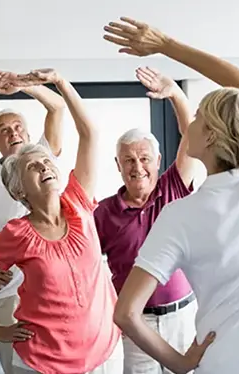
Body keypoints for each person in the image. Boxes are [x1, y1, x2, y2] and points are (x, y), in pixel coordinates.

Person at [104, 17, 239, 374]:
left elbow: (126, 313)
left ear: (212, 138)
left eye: (199, 118)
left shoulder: (177, 215)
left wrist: (179, 363)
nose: (190, 123)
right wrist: (166, 44)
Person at [0, 68, 122, 374]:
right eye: (34, 165)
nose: (45, 166)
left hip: (99, 354)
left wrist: (59, 81)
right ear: (19, 189)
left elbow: (90, 133)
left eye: (47, 161)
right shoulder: (17, 233)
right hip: (41, 363)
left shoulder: (78, 203)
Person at [94, 65, 198, 374]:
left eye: (143, 159)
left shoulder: (174, 187)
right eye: (128, 160)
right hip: (137, 323)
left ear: (158, 161)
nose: (137, 167)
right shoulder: (104, 213)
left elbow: (192, 137)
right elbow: (81, 262)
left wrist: (176, 95)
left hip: (183, 317)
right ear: (118, 165)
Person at [0, 69, 65, 374]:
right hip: (12, 299)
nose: (13, 133)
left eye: (17, 127)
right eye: (4, 130)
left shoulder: (44, 158)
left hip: (55, 292)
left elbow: (58, 107)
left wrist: (26, 85)